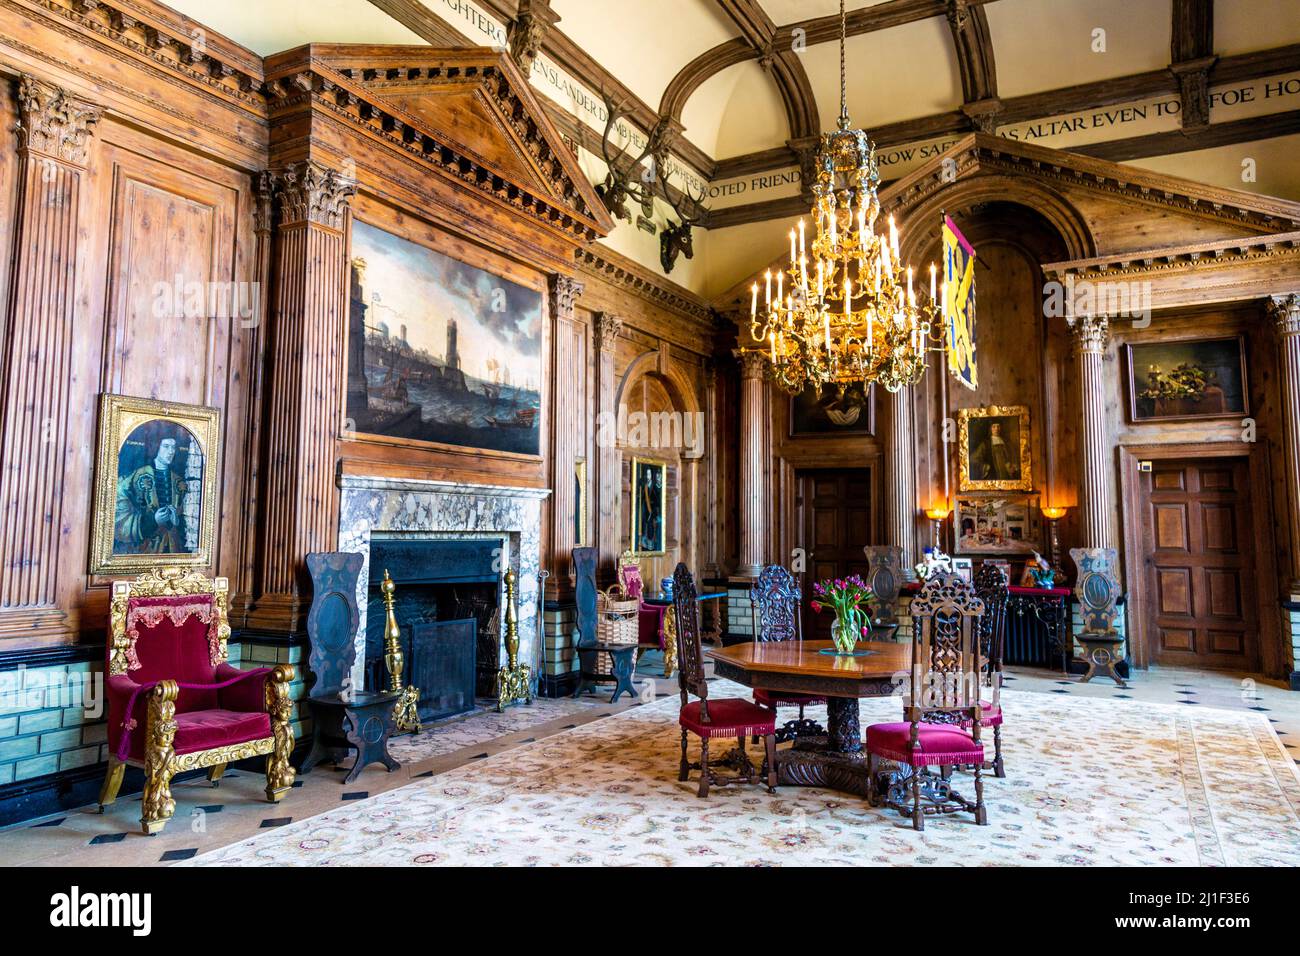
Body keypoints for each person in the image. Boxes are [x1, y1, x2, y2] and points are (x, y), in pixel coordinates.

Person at [113, 433, 190, 554]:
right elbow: (118, 505)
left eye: (173, 447)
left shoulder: (178, 481)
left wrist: (178, 521)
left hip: (174, 549)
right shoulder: (137, 475)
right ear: (156, 447)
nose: (171, 452)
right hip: (146, 549)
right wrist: (152, 520)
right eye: (166, 446)